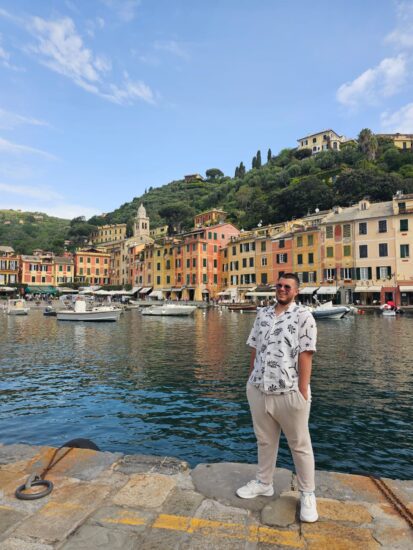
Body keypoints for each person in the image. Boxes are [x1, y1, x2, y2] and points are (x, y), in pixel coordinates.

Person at [236, 273, 318, 523]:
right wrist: (250, 378)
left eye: (287, 287)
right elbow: (255, 347)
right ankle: (264, 483)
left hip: (289, 391)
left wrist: (302, 391)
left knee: (300, 445)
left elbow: (306, 353)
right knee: (264, 440)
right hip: (259, 389)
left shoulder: (304, 316)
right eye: (279, 285)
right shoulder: (262, 314)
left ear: (296, 291)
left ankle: (307, 494)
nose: (282, 289)